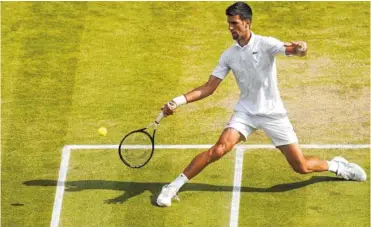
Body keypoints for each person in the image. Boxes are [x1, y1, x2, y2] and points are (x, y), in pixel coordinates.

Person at [156, 2, 367, 207]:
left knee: (301, 166)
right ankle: (172, 187)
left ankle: (337, 166)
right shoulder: (228, 55)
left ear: (247, 23)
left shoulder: (265, 44)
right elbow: (209, 87)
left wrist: (301, 48)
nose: (230, 28)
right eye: (229, 23)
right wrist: (177, 101)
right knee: (218, 150)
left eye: (234, 23)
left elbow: (294, 50)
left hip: (273, 114)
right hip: (246, 112)